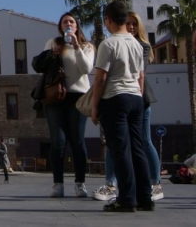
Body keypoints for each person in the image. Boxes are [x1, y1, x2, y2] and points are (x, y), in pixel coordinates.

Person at [93, 12, 163, 202]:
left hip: (117, 98)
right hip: (136, 98)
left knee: (120, 148)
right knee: (137, 147)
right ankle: (144, 198)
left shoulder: (108, 44)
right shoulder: (137, 45)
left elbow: (100, 78)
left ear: (108, 20)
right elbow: (140, 76)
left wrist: (94, 106)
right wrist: (138, 97)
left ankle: (126, 198)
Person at [34, 12, 95, 198]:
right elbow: (41, 66)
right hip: (55, 97)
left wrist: (76, 46)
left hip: (78, 97)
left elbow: (86, 69)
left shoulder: (87, 46)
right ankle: (58, 184)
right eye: (65, 22)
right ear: (60, 26)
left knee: (77, 141)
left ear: (77, 26)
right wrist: (52, 55)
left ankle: (80, 183)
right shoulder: (53, 43)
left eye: (72, 21)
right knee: (58, 141)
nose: (68, 24)